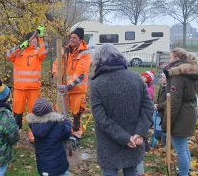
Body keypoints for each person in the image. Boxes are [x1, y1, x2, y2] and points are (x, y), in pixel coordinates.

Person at [90, 44, 154, 176]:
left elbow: (100, 118)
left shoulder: (96, 84)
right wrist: (140, 133)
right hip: (134, 140)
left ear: (98, 61)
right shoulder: (136, 77)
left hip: (109, 142)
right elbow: (148, 107)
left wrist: (125, 138)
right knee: (132, 171)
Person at [161, 50, 198, 176]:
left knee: (180, 149)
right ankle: (185, 171)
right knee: (183, 147)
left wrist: (166, 124)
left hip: (181, 116)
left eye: (170, 58)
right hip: (188, 113)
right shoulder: (189, 74)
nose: (168, 60)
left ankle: (183, 173)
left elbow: (173, 103)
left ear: (176, 59)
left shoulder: (178, 76)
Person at [5, 24, 48, 142]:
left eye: (36, 41)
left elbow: (45, 52)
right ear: (27, 41)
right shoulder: (19, 53)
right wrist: (19, 47)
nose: (35, 43)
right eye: (33, 41)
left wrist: (41, 37)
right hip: (19, 88)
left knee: (33, 111)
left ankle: (32, 132)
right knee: (17, 111)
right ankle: (16, 131)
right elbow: (7, 54)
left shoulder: (38, 52)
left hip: (33, 88)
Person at [52, 27, 91, 138]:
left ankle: (76, 132)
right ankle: (62, 130)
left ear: (80, 39)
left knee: (77, 112)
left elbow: (80, 73)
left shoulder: (85, 54)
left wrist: (68, 85)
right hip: (64, 88)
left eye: (75, 38)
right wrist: (55, 72)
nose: (72, 39)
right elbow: (57, 63)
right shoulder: (65, 51)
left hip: (77, 89)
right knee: (61, 111)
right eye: (71, 37)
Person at [27, 97, 71, 176]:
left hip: (42, 165)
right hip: (58, 166)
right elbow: (67, 134)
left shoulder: (32, 124)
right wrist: (67, 121)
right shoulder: (58, 124)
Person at [155, 73, 167, 147]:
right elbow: (159, 98)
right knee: (160, 124)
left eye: (162, 78)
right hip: (161, 110)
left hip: (165, 110)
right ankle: (161, 141)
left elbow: (168, 101)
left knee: (165, 126)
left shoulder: (168, 88)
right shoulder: (162, 87)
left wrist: (158, 106)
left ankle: (165, 144)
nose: (160, 79)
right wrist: (155, 104)